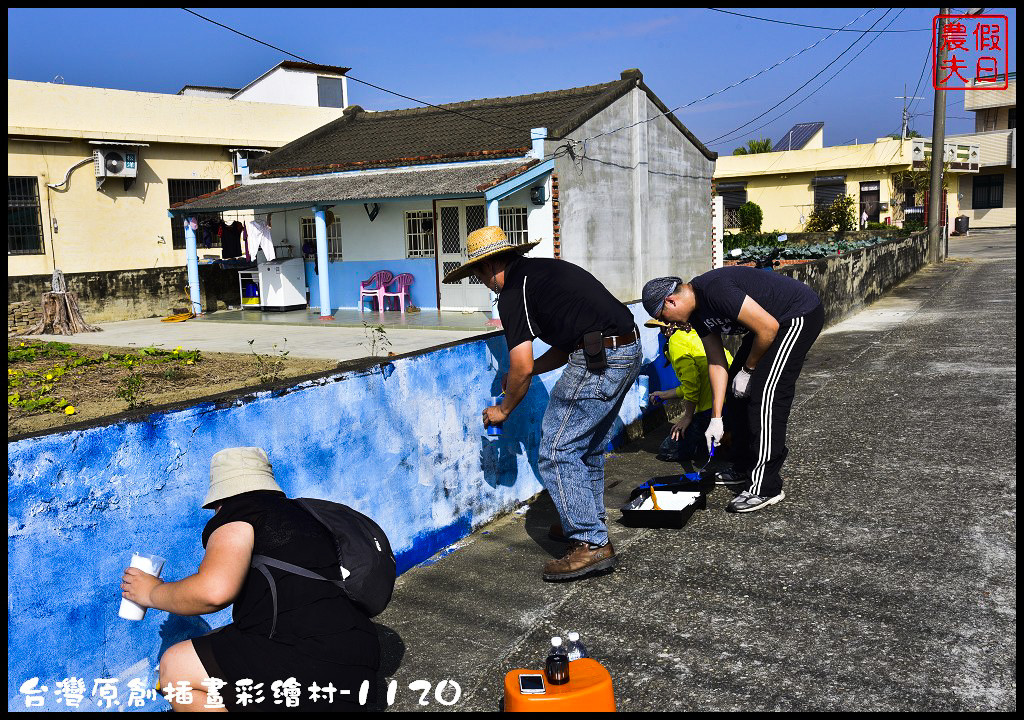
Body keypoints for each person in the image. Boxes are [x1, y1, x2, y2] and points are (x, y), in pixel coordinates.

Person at [442, 226, 642, 582]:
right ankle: (587, 523)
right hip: (625, 347)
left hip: (601, 358)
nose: (480, 280)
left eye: (476, 272)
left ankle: (590, 543)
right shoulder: (543, 272)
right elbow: (562, 345)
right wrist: (528, 374)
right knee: (588, 446)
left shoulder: (512, 292)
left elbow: (520, 363)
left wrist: (503, 408)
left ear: (488, 266)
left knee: (557, 450)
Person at [121, 447, 380, 712]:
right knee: (225, 645)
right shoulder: (305, 516)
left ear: (220, 498)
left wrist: (152, 592)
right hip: (358, 662)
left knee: (175, 667)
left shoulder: (239, 514)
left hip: (310, 662)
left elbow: (214, 592)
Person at [641, 268, 824, 513]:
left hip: (796, 316)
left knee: (765, 396)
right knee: (736, 396)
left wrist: (748, 371)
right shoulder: (696, 316)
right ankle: (742, 465)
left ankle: (766, 486)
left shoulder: (715, 290)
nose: (668, 324)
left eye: (664, 316)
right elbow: (716, 363)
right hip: (768, 326)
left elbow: (768, 329)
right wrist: (716, 419)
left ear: (670, 301)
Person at [646, 318, 733, 472]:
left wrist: (687, 417)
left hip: (709, 411)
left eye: (661, 329)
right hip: (729, 405)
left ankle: (715, 445)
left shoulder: (676, 342)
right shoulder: (700, 335)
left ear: (668, 329)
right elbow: (694, 384)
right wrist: (664, 395)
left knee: (668, 450)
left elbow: (692, 385)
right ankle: (720, 439)